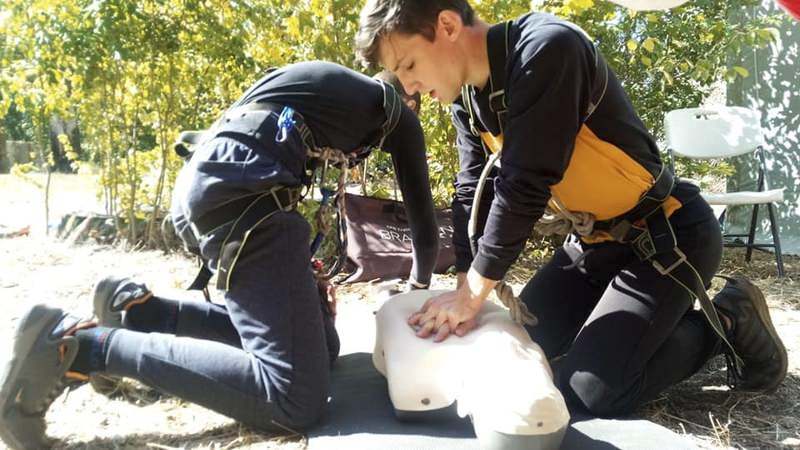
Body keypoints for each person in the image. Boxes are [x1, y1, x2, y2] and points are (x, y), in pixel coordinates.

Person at [355, 0, 788, 416]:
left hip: (666, 236)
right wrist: (464, 283)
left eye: (408, 65)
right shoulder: (466, 100)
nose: (408, 86)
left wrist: (473, 296)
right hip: (593, 244)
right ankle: (638, 331)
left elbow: (524, 184)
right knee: (527, 348)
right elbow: (474, 190)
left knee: (590, 390)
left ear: (447, 26)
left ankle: (729, 319)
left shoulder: (547, 48)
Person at [0, 62, 439, 449]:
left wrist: (306, 282)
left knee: (323, 347)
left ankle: (140, 313)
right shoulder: (392, 107)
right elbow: (422, 222)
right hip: (246, 198)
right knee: (293, 398)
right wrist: (418, 293)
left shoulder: (324, 87)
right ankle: (85, 349)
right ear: (409, 96)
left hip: (217, 185)